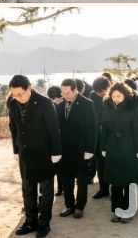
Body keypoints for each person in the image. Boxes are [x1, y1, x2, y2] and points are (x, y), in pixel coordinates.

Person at [7, 75, 62, 237]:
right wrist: (15, 150)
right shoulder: (13, 103)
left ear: (29, 88)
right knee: (27, 189)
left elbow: (54, 129)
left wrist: (56, 152)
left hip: (44, 154)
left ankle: (44, 224)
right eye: (14, 95)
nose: (17, 98)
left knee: (45, 192)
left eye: (20, 94)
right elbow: (13, 127)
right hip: (25, 154)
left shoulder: (45, 103)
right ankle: (30, 222)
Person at [100, 81, 138, 224]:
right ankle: (117, 210)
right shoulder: (107, 107)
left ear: (125, 95)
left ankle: (129, 211)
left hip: (129, 147)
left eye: (119, 96)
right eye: (113, 96)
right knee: (116, 181)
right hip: (113, 146)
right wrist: (103, 147)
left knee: (129, 181)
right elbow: (104, 128)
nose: (116, 99)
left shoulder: (133, 108)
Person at [56, 79, 96, 220]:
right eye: (63, 92)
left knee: (81, 180)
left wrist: (90, 150)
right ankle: (69, 205)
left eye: (68, 93)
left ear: (75, 90)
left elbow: (92, 128)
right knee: (66, 179)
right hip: (64, 149)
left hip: (81, 149)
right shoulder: (59, 104)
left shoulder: (87, 104)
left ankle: (79, 207)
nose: (65, 95)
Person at [89, 76, 111, 199]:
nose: (99, 94)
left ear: (108, 87)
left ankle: (116, 189)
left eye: (102, 91)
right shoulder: (92, 96)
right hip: (98, 137)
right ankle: (103, 189)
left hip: (112, 137)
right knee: (100, 166)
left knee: (113, 165)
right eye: (97, 92)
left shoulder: (115, 95)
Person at [46, 86, 64, 197]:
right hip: (54, 139)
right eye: (53, 99)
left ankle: (63, 188)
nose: (55, 101)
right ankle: (60, 188)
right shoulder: (49, 105)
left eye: (57, 98)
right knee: (56, 166)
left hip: (64, 139)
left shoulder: (65, 104)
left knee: (62, 166)